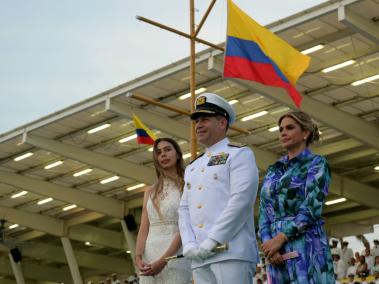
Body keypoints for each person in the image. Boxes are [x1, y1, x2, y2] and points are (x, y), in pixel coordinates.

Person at [178, 92, 259, 283]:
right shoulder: (193, 166)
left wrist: (213, 240)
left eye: (204, 119)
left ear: (222, 123)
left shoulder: (239, 155)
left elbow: (241, 200)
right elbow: (184, 209)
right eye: (196, 121)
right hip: (199, 256)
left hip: (231, 251)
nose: (198, 125)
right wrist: (189, 243)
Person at [258, 111, 335, 283]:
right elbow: (263, 211)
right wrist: (269, 245)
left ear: (305, 133)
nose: (283, 132)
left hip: (306, 247)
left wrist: (280, 239)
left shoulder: (317, 163)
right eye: (280, 129)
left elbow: (311, 208)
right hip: (275, 254)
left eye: (290, 128)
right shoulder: (273, 170)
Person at [135, 138, 191, 283]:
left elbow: (184, 227)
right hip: (149, 256)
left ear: (178, 154)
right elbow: (144, 228)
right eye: (159, 152)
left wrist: (164, 260)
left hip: (175, 255)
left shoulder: (188, 185)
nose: (163, 155)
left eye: (167, 150)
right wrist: (138, 256)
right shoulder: (150, 191)